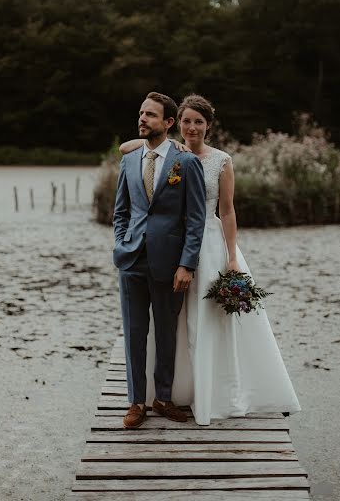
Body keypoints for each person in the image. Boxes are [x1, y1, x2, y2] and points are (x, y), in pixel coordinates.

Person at [119, 93, 301, 426]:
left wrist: (231, 256)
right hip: (153, 252)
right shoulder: (169, 152)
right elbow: (128, 155)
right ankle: (149, 397)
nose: (191, 127)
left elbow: (225, 210)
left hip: (203, 245)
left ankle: (196, 390)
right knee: (157, 326)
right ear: (177, 124)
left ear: (208, 126)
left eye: (198, 122)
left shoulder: (216, 161)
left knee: (199, 321)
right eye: (186, 121)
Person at [113, 91, 206, 429]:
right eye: (141, 113)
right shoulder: (128, 160)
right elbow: (121, 211)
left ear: (168, 123)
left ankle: (163, 397)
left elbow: (196, 219)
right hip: (131, 260)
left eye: (150, 115)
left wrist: (187, 264)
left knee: (166, 332)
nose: (142, 119)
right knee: (134, 333)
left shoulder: (186, 163)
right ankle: (135, 402)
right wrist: (121, 243)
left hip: (170, 263)